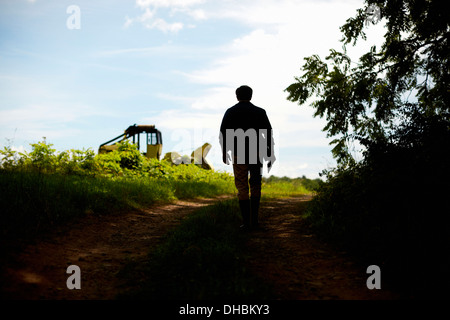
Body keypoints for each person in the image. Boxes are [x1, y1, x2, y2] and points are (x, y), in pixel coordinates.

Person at [219, 85, 275, 230]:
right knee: (256, 185)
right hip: (257, 153)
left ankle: (246, 222)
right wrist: (269, 152)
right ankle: (255, 221)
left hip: (239, 154)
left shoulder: (230, 112)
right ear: (251, 96)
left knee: (242, 186)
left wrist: (225, 152)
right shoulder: (260, 112)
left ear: (237, 96)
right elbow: (268, 133)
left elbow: (223, 133)